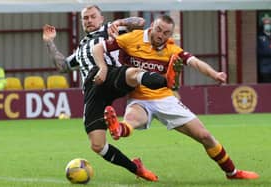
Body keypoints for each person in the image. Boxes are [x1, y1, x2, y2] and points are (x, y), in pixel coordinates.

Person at [93, 14, 260, 180]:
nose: (160, 35)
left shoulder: (172, 49)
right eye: (158, 30)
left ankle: (232, 172)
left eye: (166, 33)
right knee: (132, 119)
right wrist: (102, 68)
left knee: (205, 136)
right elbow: (98, 48)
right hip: (139, 98)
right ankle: (118, 129)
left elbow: (194, 62)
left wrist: (215, 74)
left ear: (170, 35)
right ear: (152, 26)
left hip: (165, 99)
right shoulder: (132, 38)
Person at [43, 5, 177, 182]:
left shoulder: (109, 29)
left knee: (132, 73)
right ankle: (136, 168)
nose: (89, 20)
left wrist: (120, 22)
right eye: (85, 18)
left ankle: (166, 80)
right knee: (98, 145)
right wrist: (49, 41)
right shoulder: (81, 49)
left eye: (92, 17)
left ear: (101, 19)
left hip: (110, 74)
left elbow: (140, 22)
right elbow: (62, 66)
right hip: (93, 91)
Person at [257, 13, 271, 82]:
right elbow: (258, 51)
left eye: (269, 21)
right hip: (264, 67)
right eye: (266, 21)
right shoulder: (259, 35)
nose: (267, 23)